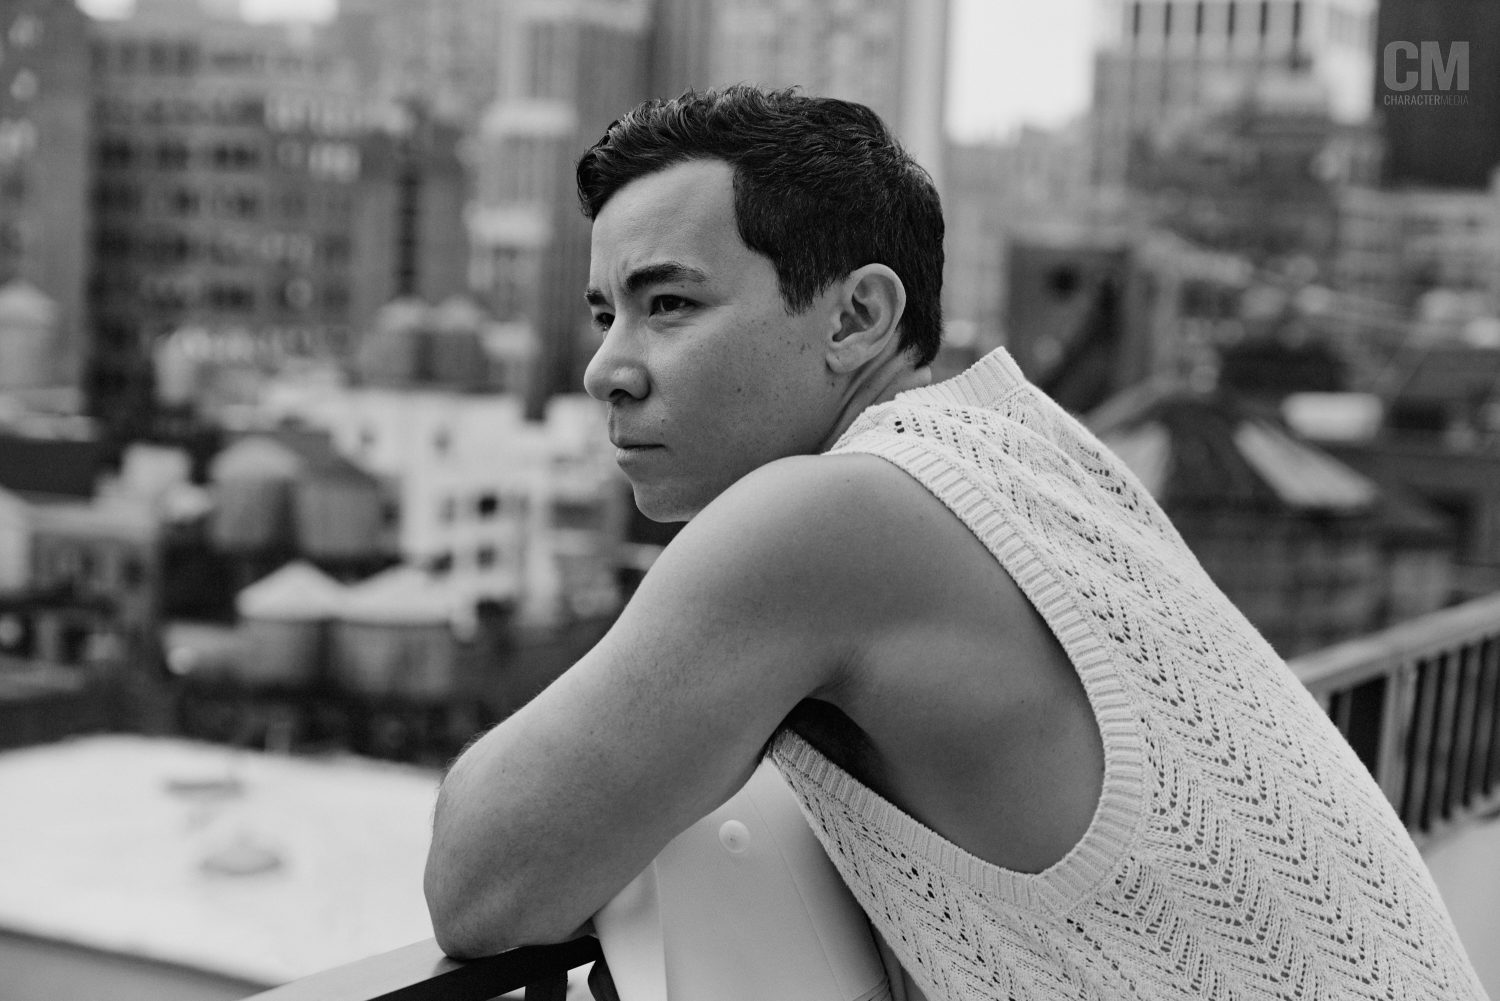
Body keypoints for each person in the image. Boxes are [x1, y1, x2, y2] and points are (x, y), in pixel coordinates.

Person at [424, 86, 1488, 1000]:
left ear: (857, 319)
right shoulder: (1028, 448)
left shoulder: (823, 517)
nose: (608, 366)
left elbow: (484, 881)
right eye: (605, 311)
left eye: (669, 303)